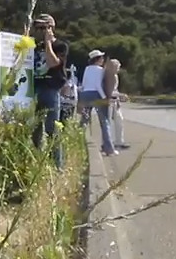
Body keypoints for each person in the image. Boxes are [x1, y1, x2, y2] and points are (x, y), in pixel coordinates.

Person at [28, 13, 69, 169]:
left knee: (52, 128)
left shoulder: (61, 46)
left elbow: (53, 63)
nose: (40, 31)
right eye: (38, 28)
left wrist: (48, 43)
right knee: (35, 129)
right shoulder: (34, 45)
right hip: (35, 88)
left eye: (43, 27)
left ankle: (57, 166)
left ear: (51, 28)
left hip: (51, 89)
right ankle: (37, 163)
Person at [78, 50, 115, 155]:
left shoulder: (87, 69)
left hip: (85, 95)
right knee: (104, 122)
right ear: (97, 59)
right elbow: (98, 85)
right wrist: (104, 97)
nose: (103, 60)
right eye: (101, 58)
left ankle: (78, 142)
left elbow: (84, 84)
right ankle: (108, 148)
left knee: (84, 120)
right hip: (96, 95)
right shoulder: (100, 70)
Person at [103, 57, 130, 150]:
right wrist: (121, 95)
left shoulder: (113, 76)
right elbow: (110, 92)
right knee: (110, 122)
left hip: (114, 101)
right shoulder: (109, 76)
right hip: (110, 101)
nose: (118, 69)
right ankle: (109, 142)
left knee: (118, 120)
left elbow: (114, 90)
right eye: (117, 67)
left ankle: (119, 141)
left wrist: (119, 96)